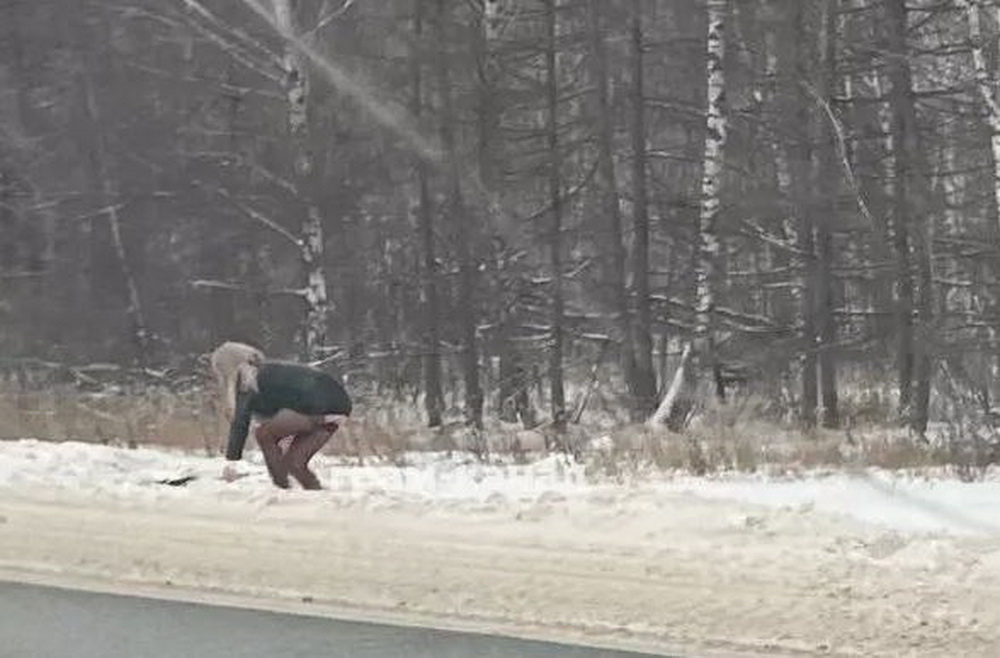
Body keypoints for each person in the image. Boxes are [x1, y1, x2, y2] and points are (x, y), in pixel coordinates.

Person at [224, 359, 352, 490]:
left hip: (318, 406)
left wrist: (232, 458)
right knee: (294, 463)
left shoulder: (247, 376)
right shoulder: (271, 371)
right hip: (339, 408)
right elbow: (279, 409)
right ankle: (315, 494)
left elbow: (241, 420)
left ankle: (282, 488)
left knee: (263, 433)